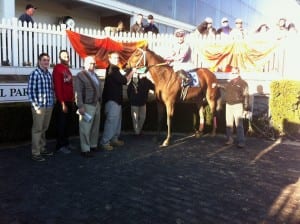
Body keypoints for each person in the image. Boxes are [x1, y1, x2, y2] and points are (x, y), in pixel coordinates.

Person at [100, 51, 135, 150]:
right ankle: (104, 142)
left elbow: (122, 77)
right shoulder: (112, 69)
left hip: (117, 100)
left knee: (117, 121)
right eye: (114, 58)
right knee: (111, 122)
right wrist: (132, 72)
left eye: (117, 58)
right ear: (110, 59)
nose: (117, 59)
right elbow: (124, 80)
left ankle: (114, 139)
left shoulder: (115, 69)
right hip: (112, 100)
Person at [28, 52, 54, 162]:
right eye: (44, 60)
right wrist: (36, 106)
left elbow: (51, 90)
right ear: (39, 61)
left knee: (44, 129)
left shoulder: (48, 74)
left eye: (48, 60)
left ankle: (42, 148)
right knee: (37, 129)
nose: (46, 62)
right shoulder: (35, 73)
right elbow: (30, 91)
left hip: (48, 106)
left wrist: (52, 102)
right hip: (39, 107)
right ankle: (35, 153)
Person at [75, 56, 102, 158]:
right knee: (85, 128)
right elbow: (78, 92)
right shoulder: (80, 75)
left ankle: (93, 145)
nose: (93, 65)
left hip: (96, 104)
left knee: (95, 127)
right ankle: (85, 149)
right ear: (85, 64)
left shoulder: (95, 75)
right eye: (90, 63)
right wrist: (80, 106)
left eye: (94, 63)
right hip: (87, 105)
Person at [52, 50, 75, 154]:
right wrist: (62, 103)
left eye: (67, 56)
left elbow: (69, 85)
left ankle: (66, 143)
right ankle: (60, 146)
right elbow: (58, 87)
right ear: (59, 58)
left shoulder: (67, 69)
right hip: (63, 102)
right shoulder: (58, 68)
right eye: (63, 56)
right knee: (61, 124)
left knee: (67, 124)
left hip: (69, 101)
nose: (66, 58)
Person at [223, 67, 250, 148]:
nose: (233, 74)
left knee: (239, 125)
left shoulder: (243, 83)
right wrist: (217, 85)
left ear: (238, 73)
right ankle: (230, 139)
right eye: (232, 73)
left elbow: (246, 96)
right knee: (229, 124)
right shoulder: (230, 82)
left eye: (234, 73)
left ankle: (241, 141)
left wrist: (245, 109)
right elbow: (225, 87)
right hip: (228, 105)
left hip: (238, 105)